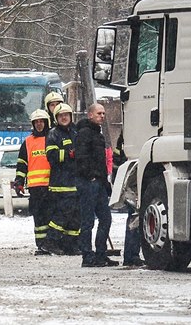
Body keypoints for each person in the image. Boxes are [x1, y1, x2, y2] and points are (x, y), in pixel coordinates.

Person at [75, 103, 119, 267]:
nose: (102, 116)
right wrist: (91, 176)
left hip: (99, 182)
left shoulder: (97, 134)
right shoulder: (84, 133)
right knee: (88, 221)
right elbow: (81, 158)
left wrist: (103, 180)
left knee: (106, 218)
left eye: (103, 113)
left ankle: (101, 254)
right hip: (88, 182)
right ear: (90, 115)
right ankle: (87, 256)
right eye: (99, 113)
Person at [44, 103, 80, 255]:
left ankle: (70, 245)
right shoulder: (53, 134)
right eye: (61, 115)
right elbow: (51, 156)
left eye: (67, 115)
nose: (64, 117)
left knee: (76, 216)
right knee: (62, 215)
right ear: (56, 118)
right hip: (60, 184)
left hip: (76, 182)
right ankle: (50, 242)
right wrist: (68, 154)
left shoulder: (76, 132)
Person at [14, 109, 52, 255]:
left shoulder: (53, 138)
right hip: (36, 188)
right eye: (36, 122)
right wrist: (19, 181)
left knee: (52, 216)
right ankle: (41, 245)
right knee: (39, 218)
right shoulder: (28, 142)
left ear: (46, 122)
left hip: (52, 185)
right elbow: (22, 164)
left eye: (41, 121)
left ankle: (51, 243)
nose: (39, 124)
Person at [112, 132, 145, 267]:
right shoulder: (128, 137)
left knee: (134, 217)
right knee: (134, 218)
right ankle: (131, 256)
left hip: (131, 177)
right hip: (132, 181)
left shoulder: (127, 135)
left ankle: (131, 255)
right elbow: (118, 159)